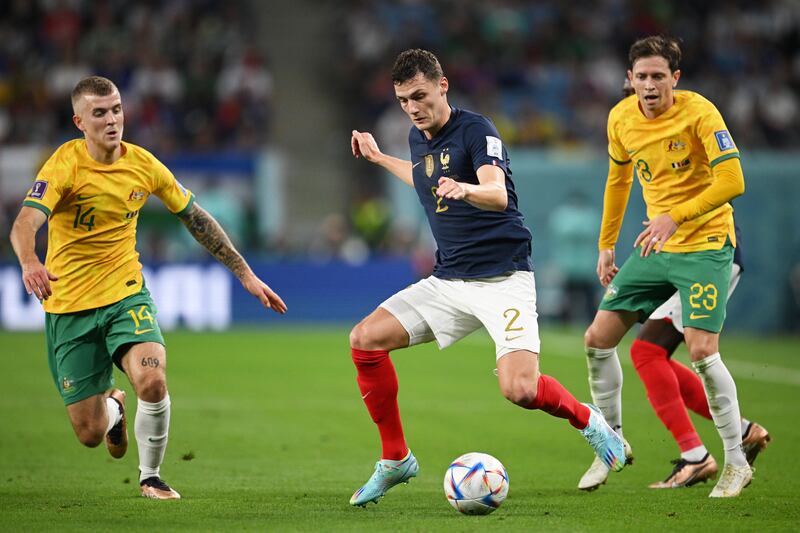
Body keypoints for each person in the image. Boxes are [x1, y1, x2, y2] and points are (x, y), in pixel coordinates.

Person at [347, 48, 627, 507]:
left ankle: (590, 422)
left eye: (419, 95)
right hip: (449, 280)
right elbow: (424, 179)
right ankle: (396, 459)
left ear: (443, 86)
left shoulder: (477, 130)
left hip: (503, 278)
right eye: (402, 100)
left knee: (520, 389)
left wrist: (466, 189)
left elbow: (496, 194)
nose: (413, 108)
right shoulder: (417, 137)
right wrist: (380, 158)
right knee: (364, 339)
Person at [9, 76, 287, 500]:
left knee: (153, 381)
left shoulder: (143, 164)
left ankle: (151, 477)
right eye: (99, 113)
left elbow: (196, 217)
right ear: (79, 121)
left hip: (125, 295)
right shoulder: (63, 165)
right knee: (88, 433)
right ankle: (114, 406)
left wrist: (245, 274)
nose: (112, 119)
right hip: (69, 306)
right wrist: (30, 261)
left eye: (117, 109)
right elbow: (25, 222)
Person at [580, 36, 751, 498]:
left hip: (707, 244)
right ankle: (610, 442)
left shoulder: (700, 113)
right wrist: (605, 245)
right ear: (628, 80)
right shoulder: (620, 118)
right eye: (642, 77)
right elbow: (617, 181)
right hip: (656, 247)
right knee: (597, 339)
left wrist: (675, 216)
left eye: (659, 77)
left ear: (676, 78)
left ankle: (736, 460)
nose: (650, 86)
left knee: (700, 351)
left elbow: (734, 180)